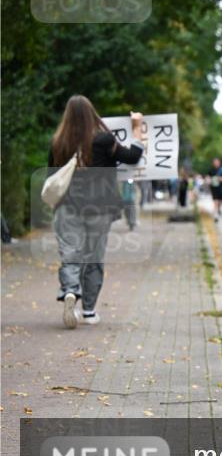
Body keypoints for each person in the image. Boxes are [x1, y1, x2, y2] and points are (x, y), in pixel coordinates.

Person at [48, 96, 145, 328]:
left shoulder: (58, 142)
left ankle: (70, 291)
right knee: (94, 258)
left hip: (67, 207)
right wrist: (136, 128)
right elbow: (132, 157)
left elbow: (51, 176)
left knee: (70, 255)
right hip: (99, 208)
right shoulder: (104, 139)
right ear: (91, 113)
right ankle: (89, 311)